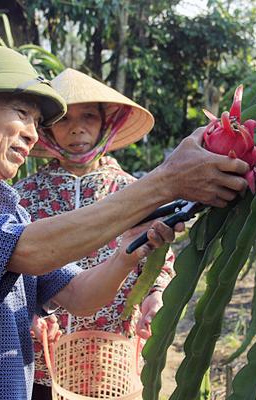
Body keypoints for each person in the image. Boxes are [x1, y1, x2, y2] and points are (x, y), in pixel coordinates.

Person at [0, 45, 249, 399]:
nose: (34, 134)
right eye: (21, 113)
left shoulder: (8, 210)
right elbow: (28, 250)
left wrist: (127, 252)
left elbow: (80, 296)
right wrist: (164, 181)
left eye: (36, 121)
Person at [14, 68, 175, 398]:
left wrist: (156, 294)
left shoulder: (134, 193)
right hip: (41, 354)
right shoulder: (23, 195)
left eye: (88, 116)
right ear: (47, 130)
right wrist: (28, 311)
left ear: (106, 123)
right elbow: (11, 266)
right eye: (64, 119)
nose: (76, 128)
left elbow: (160, 260)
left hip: (110, 354)